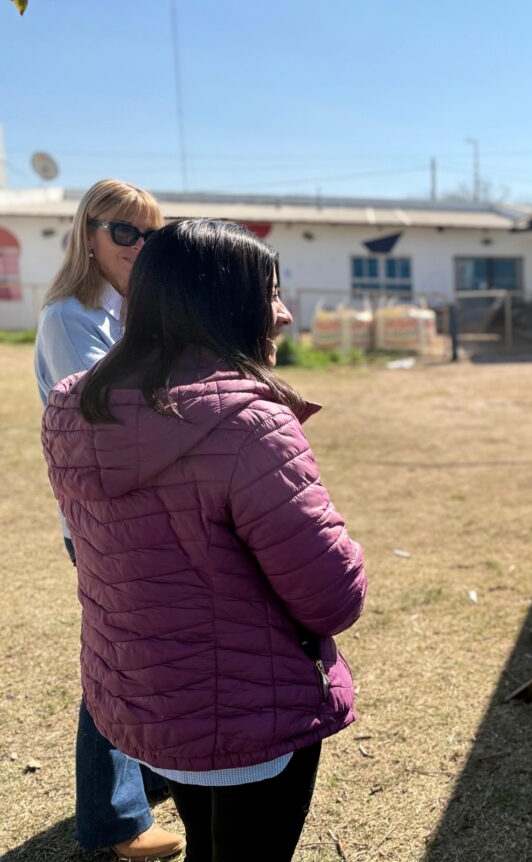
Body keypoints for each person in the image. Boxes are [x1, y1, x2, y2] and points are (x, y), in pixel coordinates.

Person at [41, 218, 367, 861]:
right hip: (252, 712)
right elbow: (334, 598)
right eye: (270, 294)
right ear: (224, 303)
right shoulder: (249, 425)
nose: (285, 316)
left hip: (150, 700)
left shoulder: (72, 407)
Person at [32, 179, 185, 860]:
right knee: (118, 661)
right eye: (124, 231)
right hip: (105, 517)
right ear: (87, 233)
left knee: (148, 653)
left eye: (151, 234)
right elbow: (115, 418)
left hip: (143, 508)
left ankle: (146, 777)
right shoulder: (73, 316)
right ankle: (116, 820)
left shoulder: (132, 309)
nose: (139, 245)